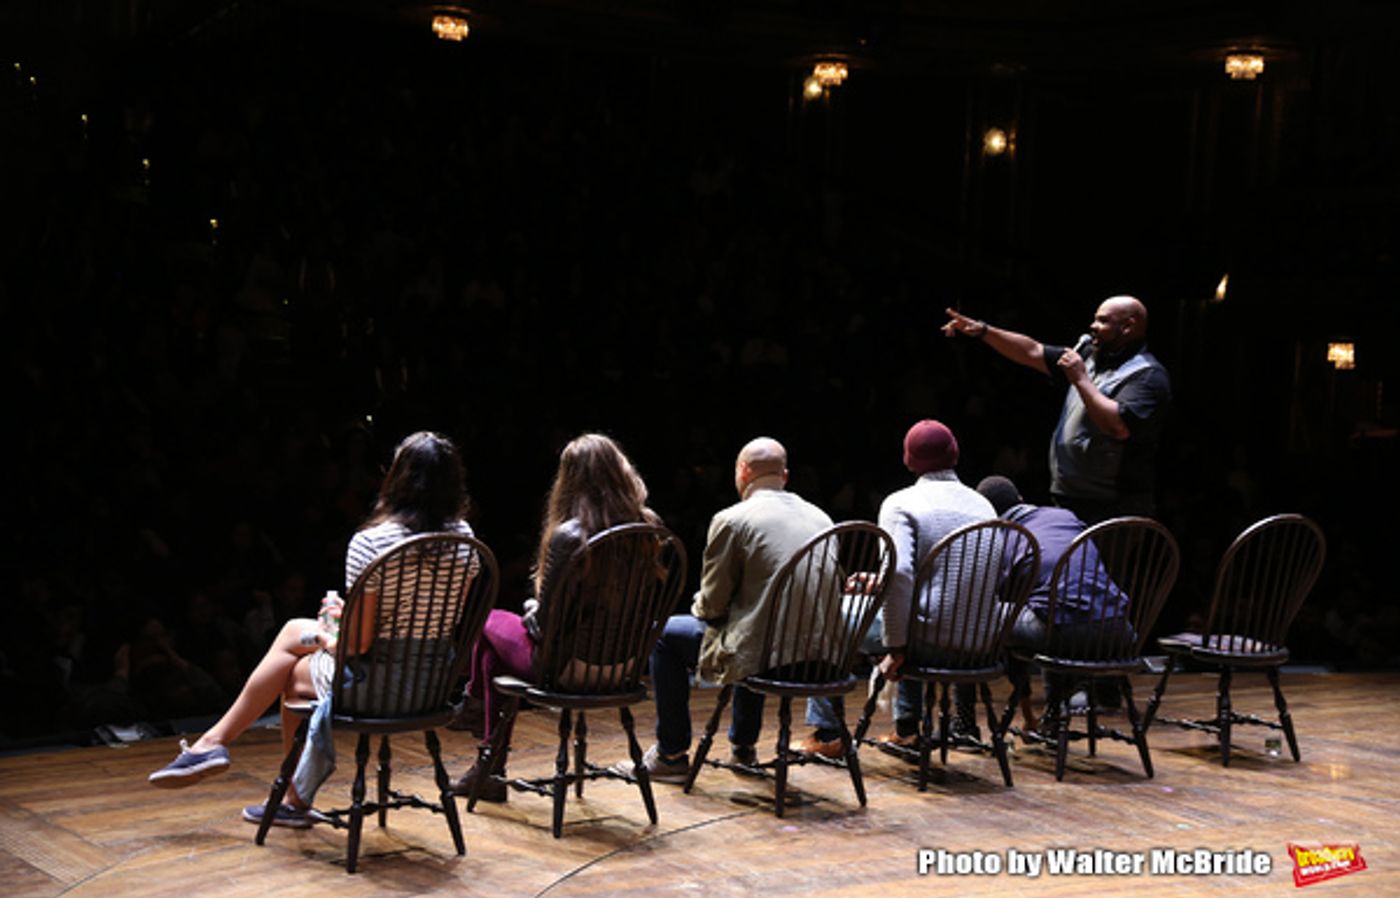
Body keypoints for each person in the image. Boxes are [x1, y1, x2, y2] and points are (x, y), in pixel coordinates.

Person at [147, 431, 476, 829]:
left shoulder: (372, 544)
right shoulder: (465, 540)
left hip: (378, 686)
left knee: (293, 674)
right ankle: (218, 749)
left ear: (398, 479)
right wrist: (344, 618)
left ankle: (277, 787)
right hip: (430, 684)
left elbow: (357, 645)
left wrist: (328, 633)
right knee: (292, 631)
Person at [452, 433, 662, 802]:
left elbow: (545, 629)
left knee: (487, 623)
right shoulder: (647, 528)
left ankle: (484, 743)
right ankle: (485, 762)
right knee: (491, 653)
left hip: (566, 667)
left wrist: (533, 609)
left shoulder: (571, 535)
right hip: (625, 666)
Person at [615, 437, 833, 782]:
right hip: (820, 662)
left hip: (766, 658)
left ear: (743, 472)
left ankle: (671, 754)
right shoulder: (822, 518)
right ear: (785, 476)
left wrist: (704, 604)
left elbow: (711, 607)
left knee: (665, 635)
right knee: (751, 625)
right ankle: (743, 748)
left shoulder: (733, 518)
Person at [803, 420, 996, 756]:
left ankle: (827, 732)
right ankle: (907, 727)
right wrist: (880, 583)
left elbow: (902, 574)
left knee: (826, 619)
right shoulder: (984, 506)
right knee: (900, 605)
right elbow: (946, 576)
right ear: (955, 454)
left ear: (908, 460)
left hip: (928, 640)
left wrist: (896, 647)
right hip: (982, 641)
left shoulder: (901, 503)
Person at [942, 296, 1171, 524]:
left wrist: (1080, 379)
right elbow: (1032, 351)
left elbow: (1117, 426)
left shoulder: (1147, 375)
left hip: (1112, 505)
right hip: (1068, 495)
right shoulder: (1089, 356)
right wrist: (984, 331)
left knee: (1100, 562)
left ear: (1128, 326)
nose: (1093, 326)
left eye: (1103, 321)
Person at [974, 475, 1132, 737]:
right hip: (1120, 632)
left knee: (978, 615)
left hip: (1066, 634)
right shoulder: (1065, 517)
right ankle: (1052, 714)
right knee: (1049, 607)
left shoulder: (1003, 536)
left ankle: (967, 720)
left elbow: (1001, 594)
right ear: (1021, 500)